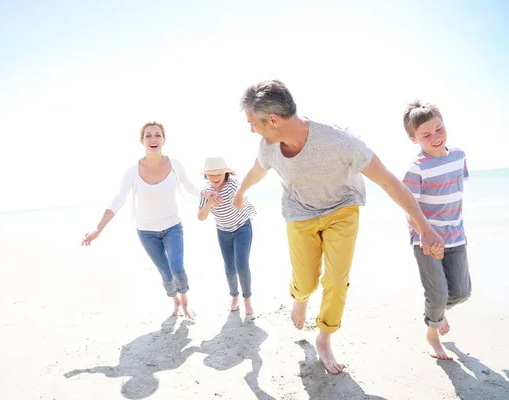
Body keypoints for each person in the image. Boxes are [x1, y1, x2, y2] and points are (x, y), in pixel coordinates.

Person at [232, 80, 445, 374]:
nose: (251, 129)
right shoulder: (268, 146)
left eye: (252, 123)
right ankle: (301, 297)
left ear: (273, 119)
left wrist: (424, 226)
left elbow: (387, 180)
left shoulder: (340, 142)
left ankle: (325, 337)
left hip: (341, 209)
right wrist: (241, 192)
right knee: (306, 281)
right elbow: (257, 171)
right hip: (299, 213)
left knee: (336, 280)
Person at [82, 121, 218, 320]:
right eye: (148, 136)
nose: (153, 139)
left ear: (164, 139)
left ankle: (185, 300)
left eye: (157, 135)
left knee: (177, 267)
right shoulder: (132, 171)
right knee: (166, 273)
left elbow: (191, 188)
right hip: (146, 232)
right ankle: (175, 302)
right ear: (142, 141)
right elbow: (117, 201)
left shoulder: (175, 165)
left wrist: (207, 193)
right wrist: (97, 229)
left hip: (173, 226)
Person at [401, 100, 471, 361]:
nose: (436, 138)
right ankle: (432, 335)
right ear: (413, 139)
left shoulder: (459, 156)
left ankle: (437, 314)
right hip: (425, 238)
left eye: (439, 129)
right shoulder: (416, 168)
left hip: (455, 234)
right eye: (426, 135)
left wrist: (462, 231)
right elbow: (409, 211)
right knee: (438, 292)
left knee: (461, 292)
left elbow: (457, 196)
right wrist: (426, 235)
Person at [197, 156, 257, 316]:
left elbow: (241, 197)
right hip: (223, 231)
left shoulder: (231, 184)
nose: (215, 178)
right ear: (206, 176)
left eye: (219, 174)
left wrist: (239, 199)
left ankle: (247, 300)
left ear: (226, 173)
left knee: (241, 264)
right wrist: (210, 202)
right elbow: (201, 217)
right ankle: (234, 297)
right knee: (229, 267)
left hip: (242, 227)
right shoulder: (206, 192)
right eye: (211, 175)